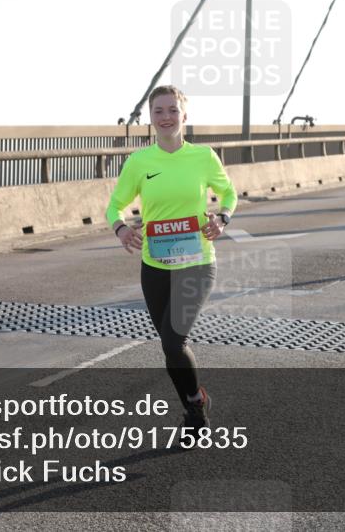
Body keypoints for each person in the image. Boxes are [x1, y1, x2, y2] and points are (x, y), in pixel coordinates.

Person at [106, 85, 236, 447]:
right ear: (151, 118)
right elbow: (114, 205)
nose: (166, 118)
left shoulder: (204, 157)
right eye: (159, 111)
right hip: (156, 264)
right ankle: (195, 403)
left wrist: (222, 217)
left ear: (184, 116)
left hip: (197, 263)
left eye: (172, 111)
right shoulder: (139, 162)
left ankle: (195, 408)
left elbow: (229, 194)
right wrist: (120, 229)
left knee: (175, 339)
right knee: (168, 344)